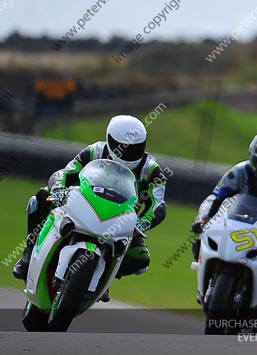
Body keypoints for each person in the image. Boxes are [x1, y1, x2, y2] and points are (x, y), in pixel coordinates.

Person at [12, 115, 168, 292]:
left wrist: (142, 222)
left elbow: (158, 206)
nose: (128, 153)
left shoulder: (152, 170)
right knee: (41, 198)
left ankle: (102, 275)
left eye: (135, 148)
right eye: (124, 147)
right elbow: (66, 172)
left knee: (140, 260)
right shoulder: (95, 151)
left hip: (122, 220)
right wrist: (58, 188)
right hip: (83, 205)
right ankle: (28, 253)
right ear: (110, 139)